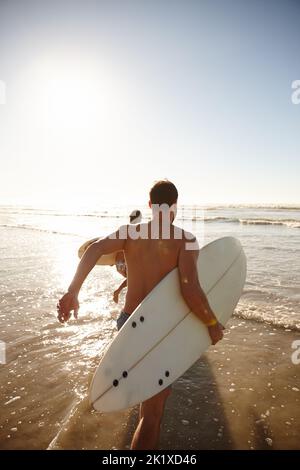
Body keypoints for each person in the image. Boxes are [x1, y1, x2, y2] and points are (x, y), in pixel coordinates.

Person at [57, 180, 223, 450]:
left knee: (145, 399)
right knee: (151, 415)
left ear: (149, 205)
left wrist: (73, 292)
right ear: (175, 207)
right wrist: (212, 323)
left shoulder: (130, 233)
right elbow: (190, 289)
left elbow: (93, 249)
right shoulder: (185, 239)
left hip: (127, 323)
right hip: (158, 330)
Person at [113, 209, 142, 304]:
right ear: (139, 218)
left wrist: (112, 261)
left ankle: (123, 296)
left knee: (133, 282)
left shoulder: (124, 230)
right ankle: (118, 291)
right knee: (135, 279)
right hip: (125, 264)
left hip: (118, 264)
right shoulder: (138, 231)